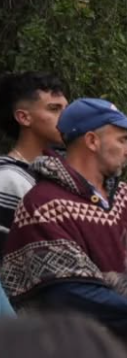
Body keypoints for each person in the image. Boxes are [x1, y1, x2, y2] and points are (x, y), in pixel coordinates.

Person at [0, 97, 127, 349]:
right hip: (84, 357)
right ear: (92, 141)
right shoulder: (43, 206)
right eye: (122, 140)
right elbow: (66, 291)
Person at [0, 71, 67, 257]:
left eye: (66, 109)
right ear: (24, 117)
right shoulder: (8, 180)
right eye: (54, 109)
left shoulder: (63, 174)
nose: (66, 117)